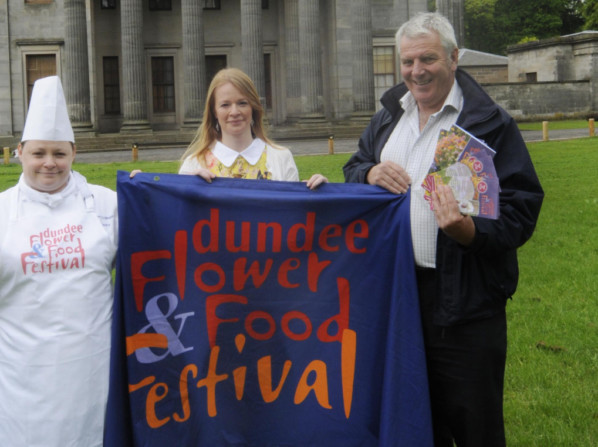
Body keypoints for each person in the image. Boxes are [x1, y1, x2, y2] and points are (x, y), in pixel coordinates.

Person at [342, 13, 543, 447]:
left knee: (475, 426)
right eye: (408, 61)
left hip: (466, 302)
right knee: (415, 421)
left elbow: (522, 209)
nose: (417, 71)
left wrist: (470, 233)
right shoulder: (389, 117)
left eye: (428, 58)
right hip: (397, 297)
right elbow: (353, 167)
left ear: (454, 58)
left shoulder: (488, 121)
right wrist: (369, 172)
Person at [0, 76, 117, 446]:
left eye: (59, 154)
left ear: (74, 153)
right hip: (20, 371)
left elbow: (157, 246)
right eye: (38, 153)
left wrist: (188, 185)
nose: (49, 163)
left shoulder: (106, 204)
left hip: (92, 367)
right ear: (20, 151)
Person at [179, 67, 327, 189]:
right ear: (214, 112)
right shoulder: (194, 165)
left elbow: (294, 215)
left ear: (253, 108)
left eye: (242, 103)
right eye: (225, 105)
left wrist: (322, 194)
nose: (235, 112)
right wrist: (186, 189)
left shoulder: (281, 157)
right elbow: (179, 217)